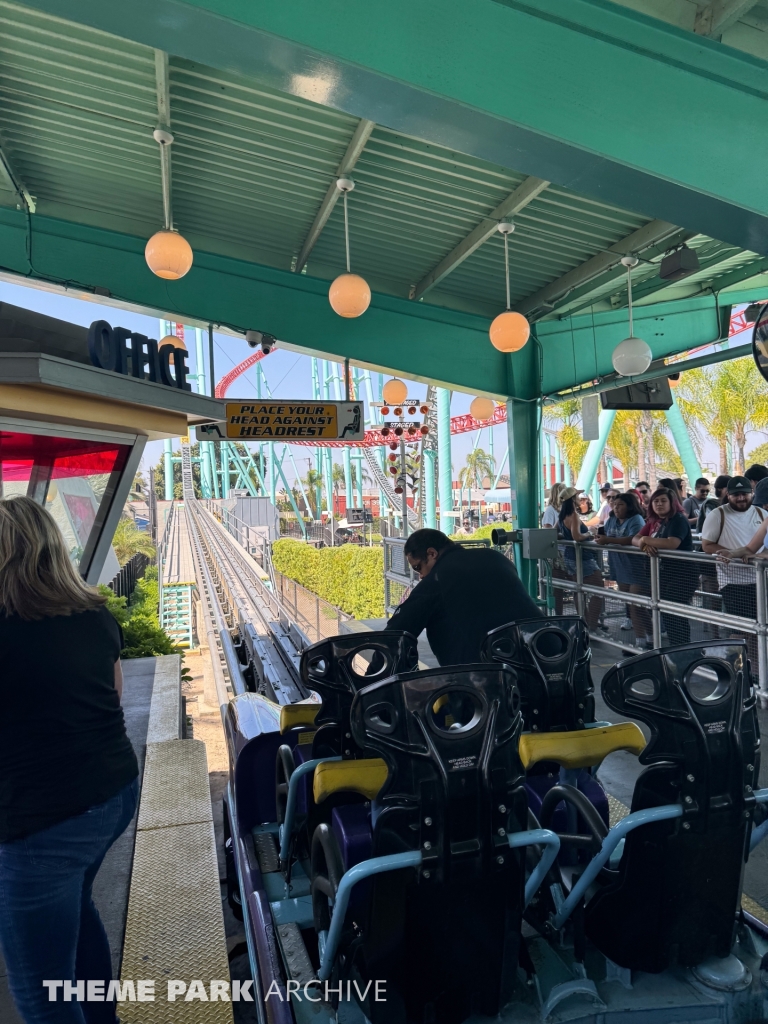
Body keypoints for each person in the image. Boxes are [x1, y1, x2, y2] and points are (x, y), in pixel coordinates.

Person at [0, 496, 139, 1024]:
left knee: (39, 995)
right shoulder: (94, 613)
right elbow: (114, 696)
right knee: (76, 913)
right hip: (112, 793)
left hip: (43, 820)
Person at [384, 528, 541, 665]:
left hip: (485, 678)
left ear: (432, 554)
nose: (421, 576)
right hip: (542, 656)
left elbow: (398, 630)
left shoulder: (438, 578)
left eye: (418, 567)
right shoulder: (496, 558)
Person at [701, 476, 767, 640]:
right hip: (733, 581)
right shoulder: (717, 515)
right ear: (727, 495)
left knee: (760, 628)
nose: (741, 498)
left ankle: (755, 664)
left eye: (744, 493)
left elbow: (758, 548)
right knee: (741, 629)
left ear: (752, 493)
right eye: (736, 494)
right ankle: (735, 663)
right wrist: (734, 554)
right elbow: (707, 545)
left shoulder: (762, 513)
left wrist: (753, 556)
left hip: (761, 579)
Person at [632, 486, 695, 645]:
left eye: (663, 501)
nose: (659, 504)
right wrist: (644, 544)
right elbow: (636, 538)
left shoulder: (678, 519)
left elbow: (672, 543)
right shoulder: (656, 521)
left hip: (682, 574)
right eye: (656, 501)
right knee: (669, 612)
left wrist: (647, 540)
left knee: (675, 612)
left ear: (672, 503)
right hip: (664, 574)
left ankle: (681, 647)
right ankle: (679, 647)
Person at [595, 492, 652, 648]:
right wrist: (600, 538)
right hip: (620, 566)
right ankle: (650, 636)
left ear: (629, 506)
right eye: (615, 504)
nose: (616, 507)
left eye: (620, 505)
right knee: (633, 605)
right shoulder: (611, 520)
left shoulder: (636, 520)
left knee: (636, 605)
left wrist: (609, 540)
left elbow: (633, 538)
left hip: (638, 568)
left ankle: (641, 641)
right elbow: (605, 534)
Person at [558, 489, 606, 635]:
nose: (580, 498)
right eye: (578, 496)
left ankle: (584, 624)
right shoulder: (572, 515)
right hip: (583, 557)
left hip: (569, 556)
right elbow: (577, 537)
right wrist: (590, 532)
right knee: (599, 590)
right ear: (573, 499)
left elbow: (555, 532)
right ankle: (591, 626)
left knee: (579, 590)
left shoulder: (562, 516)